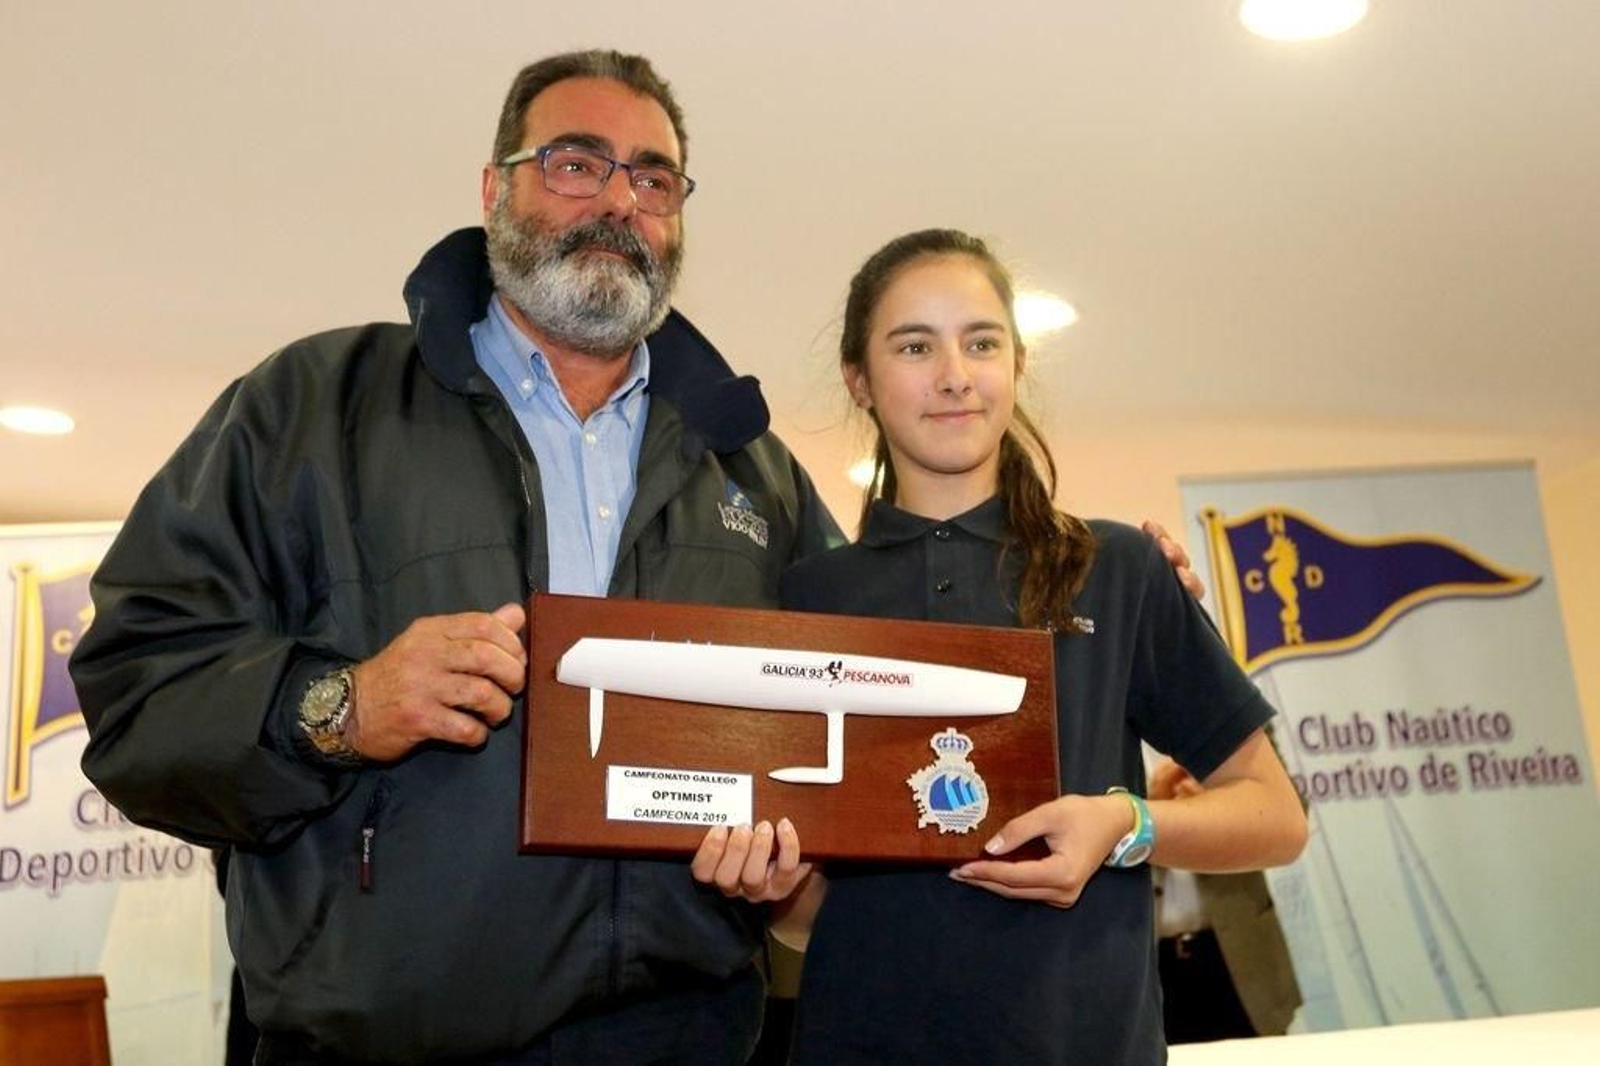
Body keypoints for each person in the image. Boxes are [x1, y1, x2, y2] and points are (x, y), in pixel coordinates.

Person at [68, 50, 844, 1064]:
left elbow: (843, 731)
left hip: (685, 1035)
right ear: (494, 189)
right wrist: (341, 706)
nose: (618, 200)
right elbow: (136, 696)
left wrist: (788, 859)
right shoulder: (311, 406)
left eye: (653, 178)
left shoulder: (757, 473)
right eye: (576, 163)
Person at [692, 228, 1308, 1063]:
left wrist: (1125, 825)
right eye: (915, 346)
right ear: (859, 381)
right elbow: (818, 920)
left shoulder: (1116, 568)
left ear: (1016, 364)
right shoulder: (809, 598)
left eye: (980, 343)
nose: (953, 375)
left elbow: (1275, 816)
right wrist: (773, 888)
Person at [1149, 757, 1303, 1042]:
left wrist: (1217, 810)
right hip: (1147, 962)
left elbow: (1290, 815)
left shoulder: (1231, 715)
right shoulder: (1098, 728)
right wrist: (1150, 812)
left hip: (1239, 952)